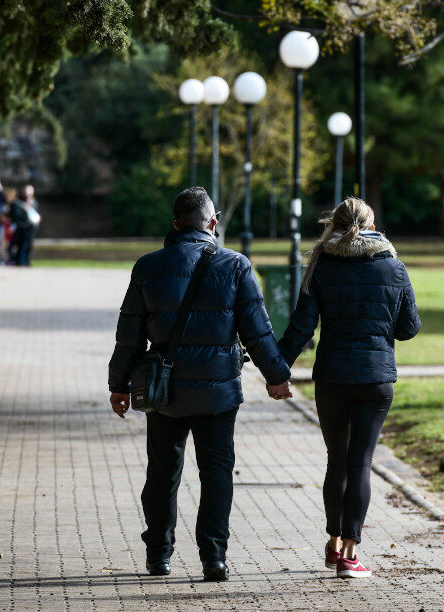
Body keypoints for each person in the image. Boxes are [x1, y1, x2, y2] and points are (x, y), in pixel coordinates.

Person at [108, 187, 294, 582]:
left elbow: (129, 336)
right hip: (218, 392)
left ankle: (159, 556)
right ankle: (214, 558)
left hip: (164, 392)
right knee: (217, 474)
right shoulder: (236, 265)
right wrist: (276, 378)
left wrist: (119, 384)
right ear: (213, 223)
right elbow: (258, 333)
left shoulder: (148, 267)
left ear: (175, 225)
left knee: (162, 474)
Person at [277, 197, 421, 579]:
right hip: (376, 379)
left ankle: (334, 543)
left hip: (333, 378)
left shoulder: (322, 265)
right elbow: (408, 328)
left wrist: (276, 369)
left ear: (334, 225)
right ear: (372, 224)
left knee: (337, 460)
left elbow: (301, 328)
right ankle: (350, 555)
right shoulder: (394, 266)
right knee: (361, 462)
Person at [8, 184, 41, 266]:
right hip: (21, 228)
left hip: (31, 228)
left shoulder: (34, 203)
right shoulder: (18, 203)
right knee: (20, 246)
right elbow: (15, 215)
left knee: (28, 246)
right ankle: (20, 262)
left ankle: (26, 261)